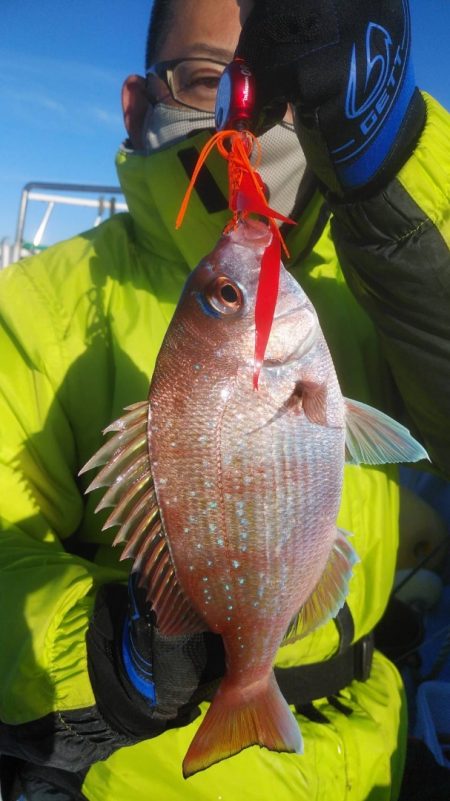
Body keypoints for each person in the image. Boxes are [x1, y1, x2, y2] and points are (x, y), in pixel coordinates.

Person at [0, 0, 449, 799]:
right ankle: (245, 686)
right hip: (149, 775)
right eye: (210, 76)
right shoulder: (34, 309)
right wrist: (112, 652)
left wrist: (394, 163)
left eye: (270, 83)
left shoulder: (375, 280)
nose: (244, 109)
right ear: (137, 104)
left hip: (376, 748)